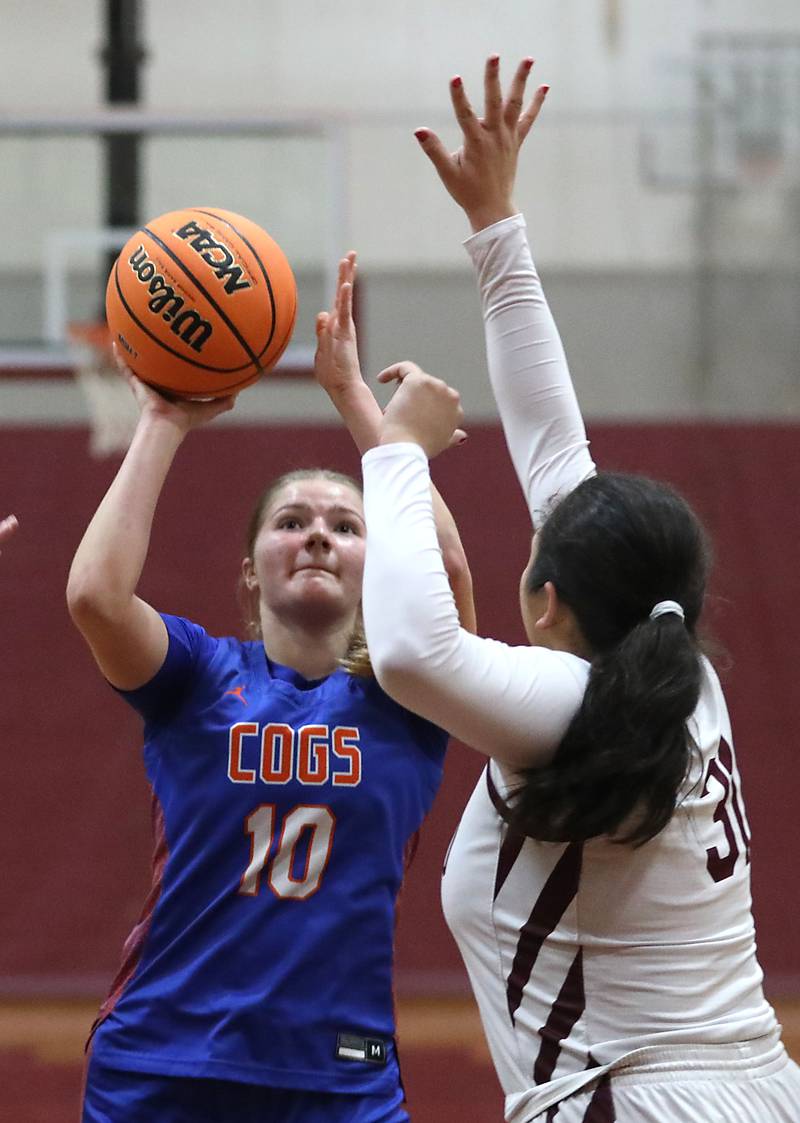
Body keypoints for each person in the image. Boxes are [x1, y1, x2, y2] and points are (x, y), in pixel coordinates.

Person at [354, 56, 800, 1122]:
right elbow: (556, 452)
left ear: (545, 599)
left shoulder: (569, 704)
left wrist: (399, 458)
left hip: (630, 1102)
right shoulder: (676, 677)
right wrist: (494, 224)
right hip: (758, 1089)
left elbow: (414, 651)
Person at [67, 261, 474, 1123]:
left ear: (377, 565)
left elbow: (447, 571)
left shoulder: (408, 693)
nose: (319, 535)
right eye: (293, 522)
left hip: (342, 1070)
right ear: (251, 573)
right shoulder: (198, 675)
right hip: (166, 1057)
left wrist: (366, 410)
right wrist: (163, 417)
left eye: (346, 525)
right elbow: (97, 597)